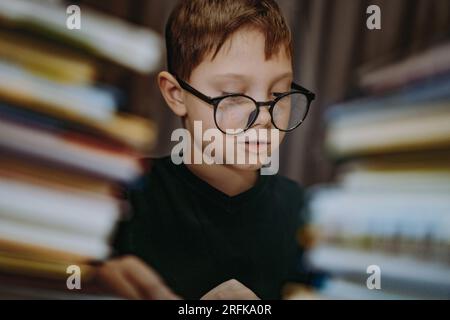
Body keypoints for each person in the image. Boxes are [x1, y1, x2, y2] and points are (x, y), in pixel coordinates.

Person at [94, 0, 315, 300]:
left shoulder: (306, 215)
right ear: (176, 94)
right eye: (234, 95)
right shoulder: (122, 199)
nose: (264, 117)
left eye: (279, 93)